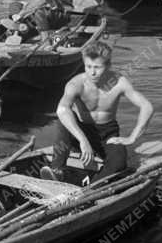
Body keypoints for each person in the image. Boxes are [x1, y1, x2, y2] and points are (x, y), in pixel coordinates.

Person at [41, 40, 154, 183]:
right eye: (88, 66)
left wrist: (132, 137)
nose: (92, 72)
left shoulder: (120, 82)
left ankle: (92, 184)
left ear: (108, 65)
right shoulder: (76, 83)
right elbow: (62, 109)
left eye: (97, 67)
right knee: (64, 121)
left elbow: (147, 106)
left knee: (119, 163)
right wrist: (83, 141)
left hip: (107, 134)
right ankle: (57, 171)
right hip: (80, 131)